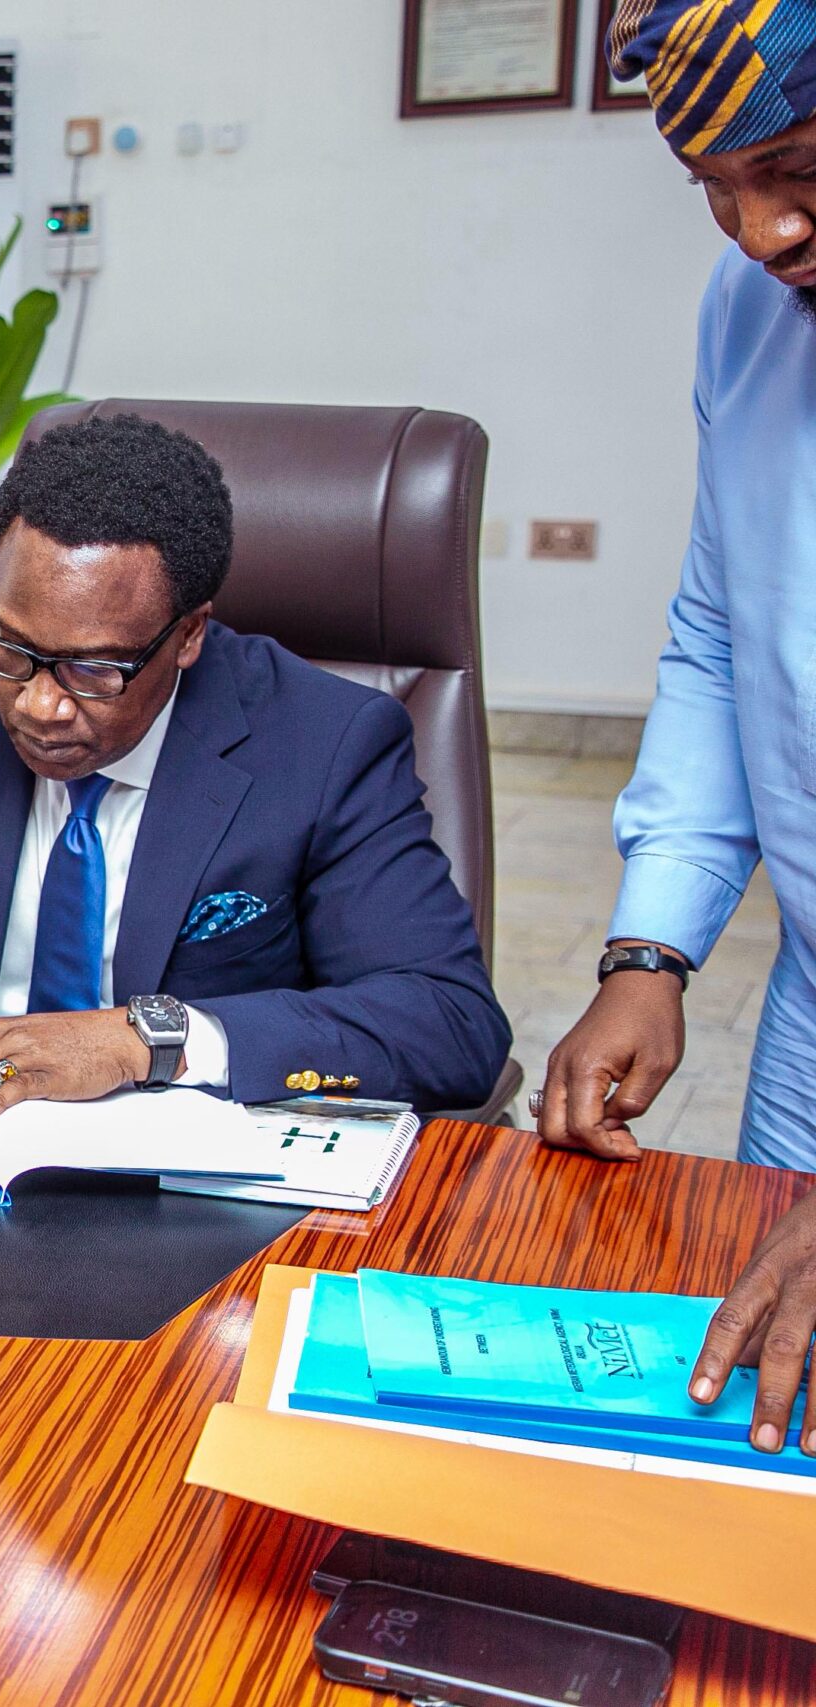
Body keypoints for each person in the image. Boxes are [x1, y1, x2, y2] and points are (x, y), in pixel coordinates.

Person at [0, 413, 510, 1133]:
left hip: (187, 1203)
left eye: (93, 669)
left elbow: (450, 1023)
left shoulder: (324, 743)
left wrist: (145, 1037)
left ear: (189, 638)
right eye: (12, 646)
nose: (39, 704)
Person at [541, 0, 816, 1459]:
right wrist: (652, 948)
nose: (763, 234)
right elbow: (724, 632)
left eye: (803, 174)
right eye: (717, 192)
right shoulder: (749, 314)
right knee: (779, 1425)